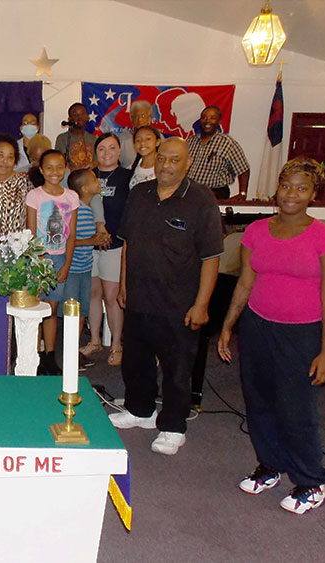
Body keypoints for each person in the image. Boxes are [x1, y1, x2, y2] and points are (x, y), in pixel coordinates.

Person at [218, 158, 325, 515]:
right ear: (276, 189)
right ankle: (270, 465)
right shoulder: (256, 231)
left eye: (302, 187)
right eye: (286, 186)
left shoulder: (323, 235)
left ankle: (310, 481)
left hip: (303, 333)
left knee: (296, 408)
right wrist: (228, 325)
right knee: (260, 401)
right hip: (258, 327)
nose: (292, 194)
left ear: (314, 194)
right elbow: (246, 282)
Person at [111, 137, 222, 456]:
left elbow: (211, 256)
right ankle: (140, 410)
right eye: (162, 159)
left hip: (180, 303)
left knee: (177, 368)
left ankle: (173, 426)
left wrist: (202, 304)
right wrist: (123, 285)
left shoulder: (201, 200)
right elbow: (128, 243)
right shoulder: (139, 194)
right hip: (139, 297)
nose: (166, 165)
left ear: (187, 164)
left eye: (175, 160)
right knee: (135, 361)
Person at [80, 134, 131, 366]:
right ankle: (95, 340)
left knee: (112, 297)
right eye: (102, 148)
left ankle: (117, 344)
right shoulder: (86, 176)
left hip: (115, 245)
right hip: (89, 245)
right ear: (95, 152)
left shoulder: (127, 178)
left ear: (119, 151)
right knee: (93, 294)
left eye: (112, 148)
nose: (107, 152)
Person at [26, 150, 78, 375]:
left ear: (65, 167)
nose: (54, 172)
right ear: (41, 170)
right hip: (40, 256)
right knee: (37, 308)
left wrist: (66, 264)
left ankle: (50, 355)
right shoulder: (35, 196)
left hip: (59, 258)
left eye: (59, 167)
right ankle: (34, 355)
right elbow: (30, 231)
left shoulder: (71, 197)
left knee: (52, 309)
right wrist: (37, 258)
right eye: (49, 167)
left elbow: (72, 235)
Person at [64, 168, 110, 370]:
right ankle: (70, 355)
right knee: (73, 313)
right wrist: (93, 240)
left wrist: (97, 240)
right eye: (94, 180)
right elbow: (69, 242)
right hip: (73, 270)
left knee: (81, 311)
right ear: (84, 188)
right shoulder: (78, 211)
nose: (98, 182)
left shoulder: (90, 209)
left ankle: (74, 353)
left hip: (84, 268)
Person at [186, 105, 250, 200]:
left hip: (214, 194)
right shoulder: (190, 141)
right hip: (189, 192)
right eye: (204, 117)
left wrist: (243, 193)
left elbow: (244, 170)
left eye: (213, 118)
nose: (207, 121)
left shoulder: (228, 143)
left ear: (219, 122)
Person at [54, 103, 96, 171]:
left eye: (82, 114)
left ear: (87, 117)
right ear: (69, 119)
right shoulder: (62, 139)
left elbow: (97, 161)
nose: (80, 117)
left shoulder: (93, 139)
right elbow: (59, 162)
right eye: (75, 115)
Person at [118, 100, 153, 169]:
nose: (139, 120)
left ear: (149, 119)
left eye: (143, 116)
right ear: (131, 118)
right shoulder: (122, 139)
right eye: (136, 116)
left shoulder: (158, 137)